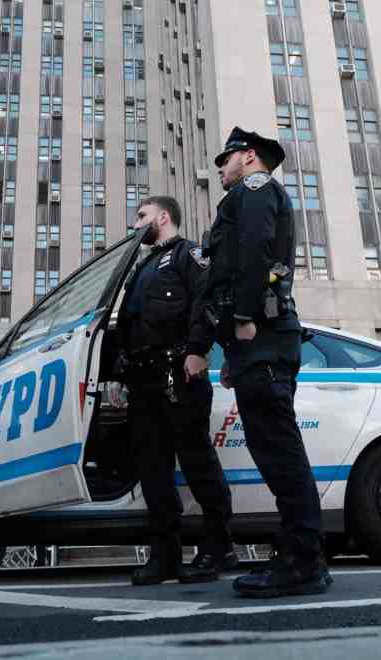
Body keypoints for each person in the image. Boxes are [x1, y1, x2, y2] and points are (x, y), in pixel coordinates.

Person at [202, 127, 331, 598]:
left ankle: (302, 561)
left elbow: (254, 252)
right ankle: (302, 555)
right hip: (256, 342)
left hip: (262, 334)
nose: (221, 167)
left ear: (248, 156)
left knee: (279, 451)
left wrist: (241, 316)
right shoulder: (248, 196)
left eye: (226, 158)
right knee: (274, 450)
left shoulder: (255, 190)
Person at [115, 196, 236, 586]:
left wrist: (200, 350)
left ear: (163, 217)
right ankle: (164, 556)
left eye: (141, 216)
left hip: (179, 376)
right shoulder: (141, 267)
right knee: (153, 472)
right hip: (144, 382)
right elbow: (131, 325)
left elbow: (207, 301)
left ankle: (218, 548)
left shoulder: (189, 255)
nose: (136, 225)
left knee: (198, 464)